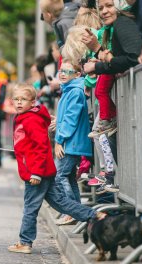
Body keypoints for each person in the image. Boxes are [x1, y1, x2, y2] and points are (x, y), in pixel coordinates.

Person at [8, 83, 105, 254]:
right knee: (61, 203)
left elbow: (41, 147)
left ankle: (25, 242)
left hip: (36, 173)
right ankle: (94, 215)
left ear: (32, 102)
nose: (19, 102)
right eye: (16, 99)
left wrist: (36, 172)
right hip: (41, 171)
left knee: (30, 208)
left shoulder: (30, 120)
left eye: (23, 99)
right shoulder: (24, 117)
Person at [82, 0, 142, 137]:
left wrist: (97, 66)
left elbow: (133, 58)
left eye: (109, 6)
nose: (104, 11)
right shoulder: (116, 24)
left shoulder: (122, 22)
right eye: (101, 8)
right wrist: (97, 50)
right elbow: (118, 60)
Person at [53, 61, 93, 224]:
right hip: (70, 142)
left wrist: (58, 140)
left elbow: (71, 120)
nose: (62, 74)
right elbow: (67, 117)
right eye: (61, 71)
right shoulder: (69, 90)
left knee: (59, 176)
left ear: (77, 75)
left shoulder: (75, 92)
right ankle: (76, 212)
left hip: (70, 143)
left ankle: (71, 212)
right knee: (68, 177)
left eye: (67, 71)